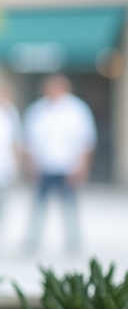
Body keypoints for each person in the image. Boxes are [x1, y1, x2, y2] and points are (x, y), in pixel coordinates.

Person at [22, 74, 96, 251]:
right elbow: (29, 142)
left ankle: (72, 241)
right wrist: (30, 166)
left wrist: (82, 167)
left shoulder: (77, 109)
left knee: (69, 206)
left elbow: (86, 141)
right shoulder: (37, 110)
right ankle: (32, 239)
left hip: (68, 167)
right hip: (44, 166)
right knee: (38, 206)